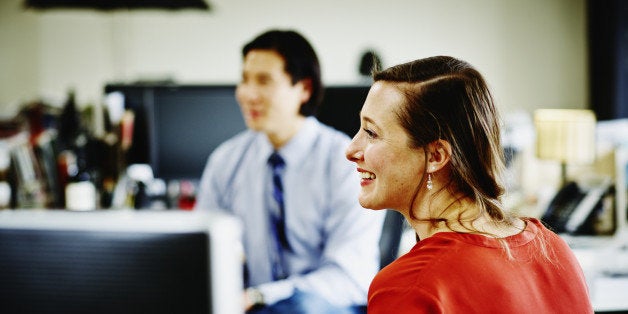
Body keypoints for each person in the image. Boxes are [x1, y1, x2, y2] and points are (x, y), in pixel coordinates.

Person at [345, 56, 593, 313]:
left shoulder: (410, 286)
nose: (351, 149)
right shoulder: (554, 248)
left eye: (371, 133)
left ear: (436, 156)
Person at [195, 29, 385, 313]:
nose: (247, 94)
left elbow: (349, 277)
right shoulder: (226, 162)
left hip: (327, 306)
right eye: (244, 80)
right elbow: (202, 257)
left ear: (304, 89)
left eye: (264, 81)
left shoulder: (345, 162)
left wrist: (261, 296)